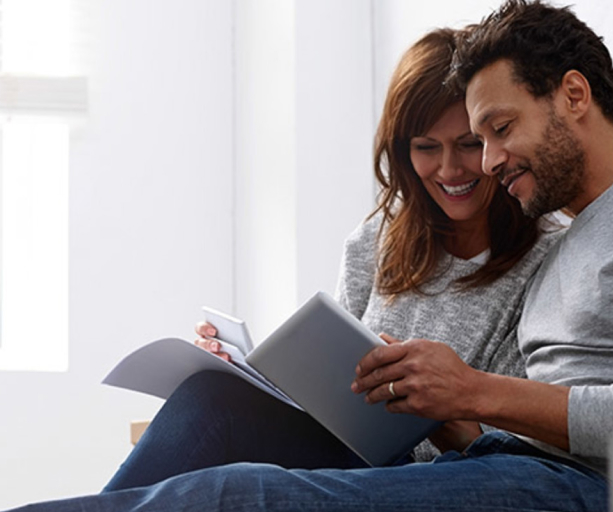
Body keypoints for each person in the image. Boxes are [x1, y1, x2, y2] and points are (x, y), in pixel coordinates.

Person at [5, 1, 613, 511]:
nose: (488, 161)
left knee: (234, 498)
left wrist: (471, 390)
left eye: (497, 131)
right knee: (220, 416)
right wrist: (437, 408)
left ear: (574, 94)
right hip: (508, 466)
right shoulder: (582, 233)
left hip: (591, 491)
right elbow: (525, 422)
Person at [68, 27, 557, 496]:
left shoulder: (544, 261)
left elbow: (529, 456)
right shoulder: (377, 242)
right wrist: (249, 374)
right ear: (403, 153)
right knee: (211, 394)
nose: (450, 170)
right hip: (348, 455)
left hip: (441, 477)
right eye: (427, 148)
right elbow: (333, 399)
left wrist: (451, 418)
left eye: (468, 145)